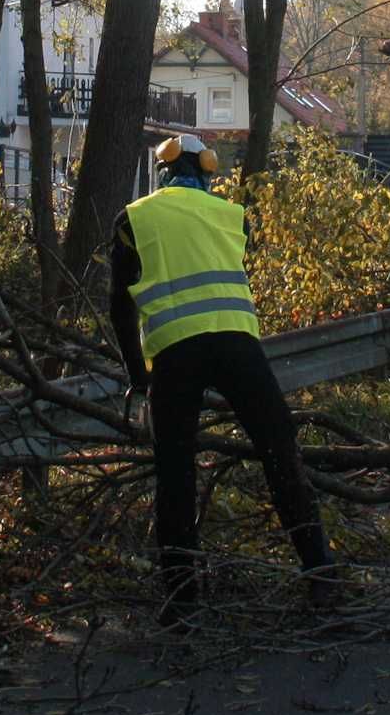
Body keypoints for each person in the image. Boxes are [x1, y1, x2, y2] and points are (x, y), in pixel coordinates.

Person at [110, 133, 337, 628]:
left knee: (175, 474)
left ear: (162, 168)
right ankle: (322, 576)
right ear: (208, 171)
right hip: (240, 349)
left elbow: (120, 310)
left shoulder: (134, 218)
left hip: (174, 354)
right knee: (281, 454)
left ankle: (181, 603)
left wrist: (138, 379)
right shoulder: (234, 217)